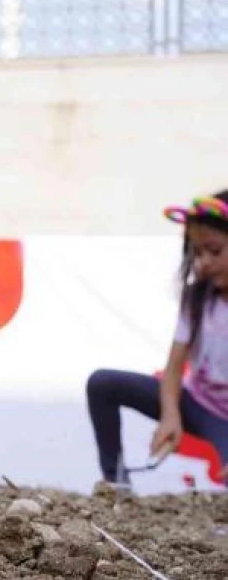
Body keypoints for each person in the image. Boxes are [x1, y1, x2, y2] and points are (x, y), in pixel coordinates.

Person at [87, 191, 228, 486]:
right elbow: (174, 368)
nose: (203, 263)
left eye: (214, 251)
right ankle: (115, 483)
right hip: (196, 402)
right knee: (102, 384)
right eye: (197, 253)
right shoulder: (196, 300)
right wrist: (171, 415)